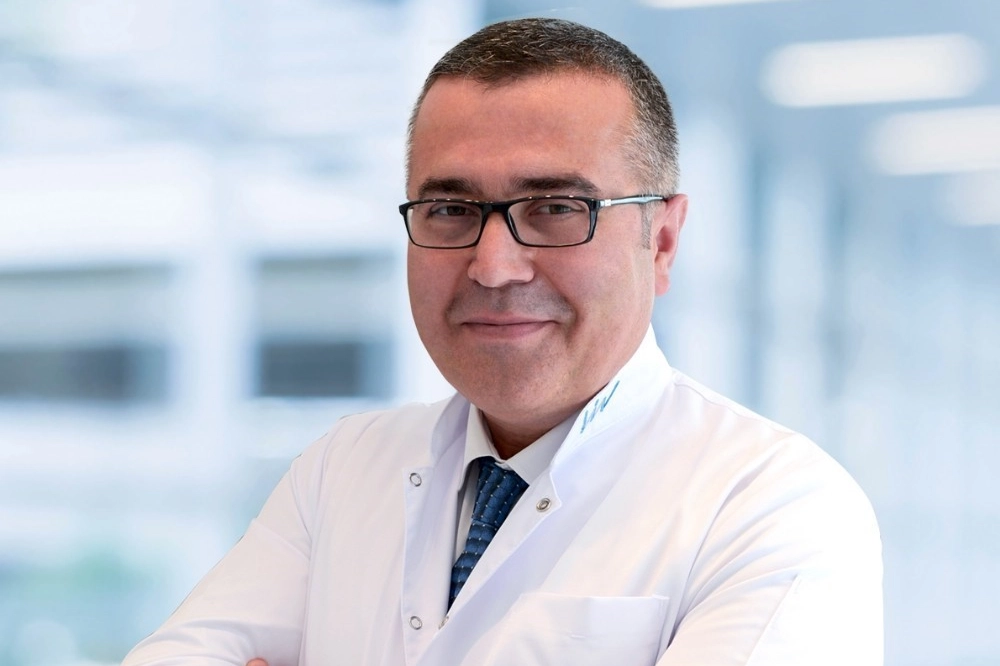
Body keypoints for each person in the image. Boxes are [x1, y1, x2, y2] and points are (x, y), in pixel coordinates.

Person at [121, 17, 882, 666]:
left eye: (556, 207)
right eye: (450, 210)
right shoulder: (341, 470)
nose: (493, 266)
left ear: (662, 240)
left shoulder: (775, 507)